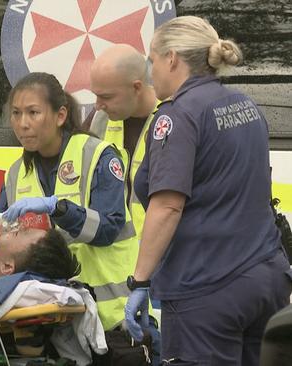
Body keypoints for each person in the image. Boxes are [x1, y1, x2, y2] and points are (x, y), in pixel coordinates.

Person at [125, 16, 292, 365]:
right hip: (265, 278)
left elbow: (168, 206)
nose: (151, 71)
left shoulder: (177, 115)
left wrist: (139, 281)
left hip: (207, 288)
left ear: (172, 58)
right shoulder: (247, 106)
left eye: (153, 60)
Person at [0, 72, 139, 331]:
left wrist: (59, 209)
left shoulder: (97, 155)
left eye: (33, 113)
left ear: (60, 116)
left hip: (114, 317)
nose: (22, 124)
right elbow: (1, 243)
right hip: (55, 320)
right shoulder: (15, 174)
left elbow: (107, 229)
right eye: (16, 114)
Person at [88, 44, 160, 238]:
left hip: (159, 255)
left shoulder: (173, 119)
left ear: (137, 87)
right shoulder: (98, 119)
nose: (98, 105)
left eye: (106, 96)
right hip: (115, 257)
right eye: (95, 95)